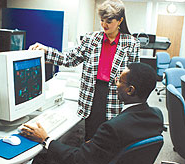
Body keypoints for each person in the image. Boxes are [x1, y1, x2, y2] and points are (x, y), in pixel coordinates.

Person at [29, 0, 140, 140]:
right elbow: (70, 59)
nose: (104, 25)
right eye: (102, 20)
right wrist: (47, 51)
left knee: (111, 137)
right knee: (91, 137)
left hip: (115, 96)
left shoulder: (131, 43)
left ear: (120, 21)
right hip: (92, 95)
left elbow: (134, 75)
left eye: (109, 21)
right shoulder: (91, 39)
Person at [20, 62, 164, 164]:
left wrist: (45, 139)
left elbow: (79, 160)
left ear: (130, 90)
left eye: (119, 81)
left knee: (42, 157)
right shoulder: (156, 115)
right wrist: (99, 143)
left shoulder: (113, 127)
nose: (116, 84)